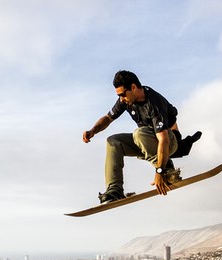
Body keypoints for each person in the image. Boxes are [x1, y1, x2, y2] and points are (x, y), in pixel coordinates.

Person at [82, 70, 201, 203]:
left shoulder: (154, 103)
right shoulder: (125, 101)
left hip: (170, 143)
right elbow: (108, 118)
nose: (121, 99)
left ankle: (167, 169)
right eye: (119, 96)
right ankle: (114, 190)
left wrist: (159, 171)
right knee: (113, 142)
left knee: (139, 133)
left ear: (133, 87)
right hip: (147, 143)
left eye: (122, 94)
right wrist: (93, 131)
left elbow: (164, 139)